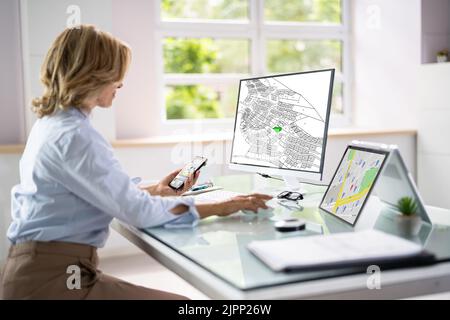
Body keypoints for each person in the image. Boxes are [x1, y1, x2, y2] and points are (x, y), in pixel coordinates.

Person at [0, 25, 272, 300]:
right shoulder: (75, 136)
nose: (121, 83)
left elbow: (96, 193)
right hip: (52, 283)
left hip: (44, 271)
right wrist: (222, 206)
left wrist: (157, 189)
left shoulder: (53, 123)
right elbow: (138, 213)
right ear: (95, 75)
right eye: (117, 74)